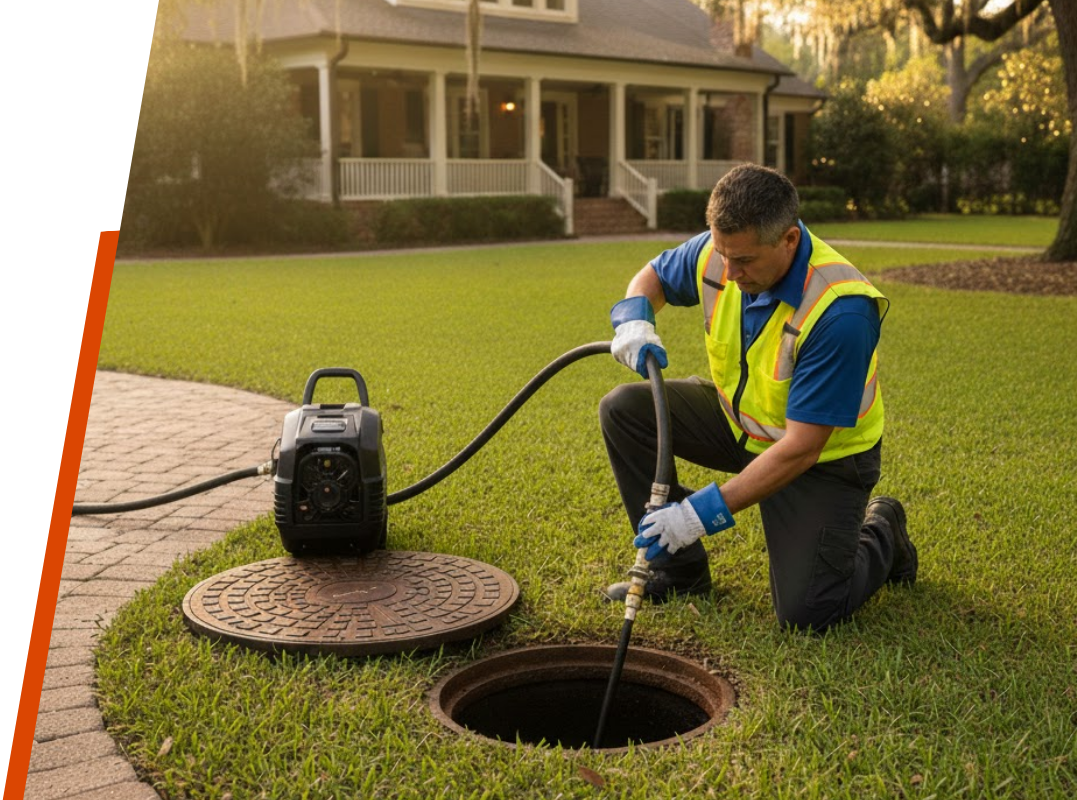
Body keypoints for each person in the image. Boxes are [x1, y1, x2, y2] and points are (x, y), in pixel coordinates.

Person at [600, 163, 917, 633]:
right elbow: (653, 276)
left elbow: (803, 447)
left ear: (789, 239)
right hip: (741, 424)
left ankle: (884, 531)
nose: (729, 271)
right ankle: (680, 572)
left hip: (823, 459)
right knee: (624, 410)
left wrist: (694, 516)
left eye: (744, 261)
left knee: (808, 612)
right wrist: (634, 318)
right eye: (724, 253)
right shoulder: (722, 251)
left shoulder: (841, 310)